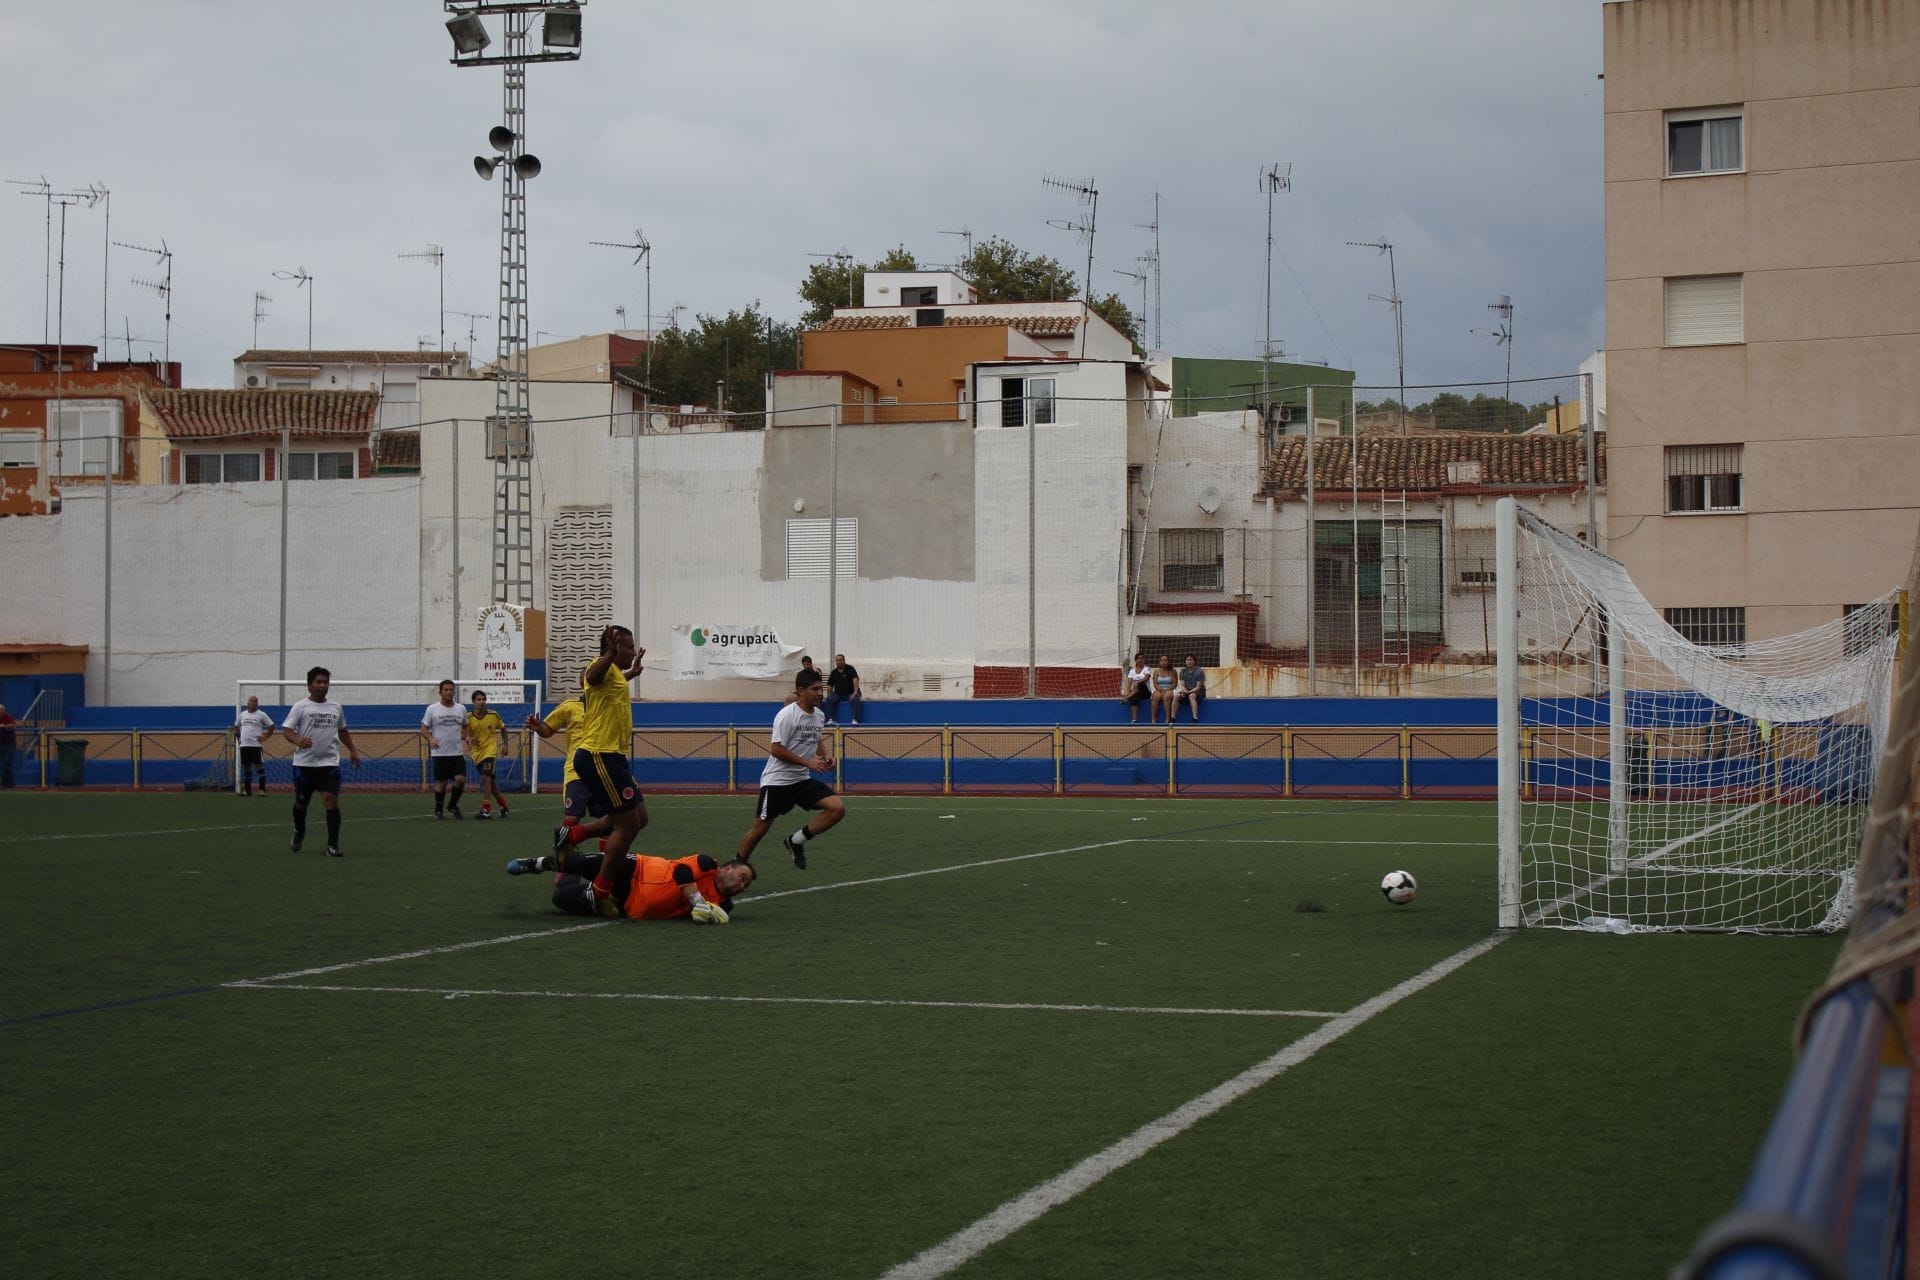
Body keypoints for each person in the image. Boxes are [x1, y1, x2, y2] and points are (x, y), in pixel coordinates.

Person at [552, 625, 650, 916]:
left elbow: (610, 682)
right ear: (614, 646)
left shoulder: (615, 674)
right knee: (627, 826)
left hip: (614, 758)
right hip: (599, 755)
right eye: (628, 646)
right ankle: (601, 891)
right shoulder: (597, 667)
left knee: (639, 818)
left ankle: (571, 836)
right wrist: (608, 653)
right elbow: (592, 677)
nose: (632, 651)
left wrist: (632, 672)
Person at [738, 666, 845, 871]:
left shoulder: (819, 715)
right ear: (801, 690)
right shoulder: (787, 715)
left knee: (837, 809)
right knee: (761, 828)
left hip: (801, 779)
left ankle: (795, 841)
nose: (820, 693)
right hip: (777, 781)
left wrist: (825, 756)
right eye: (814, 689)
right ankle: (736, 864)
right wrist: (808, 762)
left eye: (821, 689)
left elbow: (816, 737)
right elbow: (776, 749)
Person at [507, 848, 755, 924]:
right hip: (636, 869)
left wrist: (705, 916)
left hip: (624, 904)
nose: (742, 885)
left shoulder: (724, 905)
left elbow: (704, 918)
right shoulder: (708, 864)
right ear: (727, 868)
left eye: (746, 884)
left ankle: (567, 877)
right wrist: (698, 902)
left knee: (561, 898)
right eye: (743, 877)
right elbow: (681, 871)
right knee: (584, 863)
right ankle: (537, 864)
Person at [280, 666, 361, 857]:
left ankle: (332, 845)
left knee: (331, 800)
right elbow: (287, 731)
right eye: (318, 682)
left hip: (329, 765)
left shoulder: (336, 707)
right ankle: (299, 830)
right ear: (309, 685)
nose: (323, 685)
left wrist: (353, 750)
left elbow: (342, 730)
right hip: (304, 766)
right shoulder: (300, 706)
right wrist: (298, 740)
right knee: (301, 804)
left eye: (325, 682)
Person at [525, 697, 598, 827]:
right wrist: (539, 727)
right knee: (572, 818)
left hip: (602, 769)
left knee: (609, 818)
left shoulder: (607, 705)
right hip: (576, 771)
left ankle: (601, 844)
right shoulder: (570, 706)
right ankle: (566, 840)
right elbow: (548, 730)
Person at [420, 679, 470, 820]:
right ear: (440, 692)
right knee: (441, 783)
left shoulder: (461, 708)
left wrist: (466, 736)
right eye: (446, 690)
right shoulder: (432, 709)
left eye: (451, 690)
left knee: (460, 779)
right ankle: (439, 810)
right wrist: (431, 739)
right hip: (440, 753)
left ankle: (452, 805)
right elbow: (423, 729)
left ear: (454, 691)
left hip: (456, 753)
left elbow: (466, 725)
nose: (449, 692)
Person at [467, 689, 512, 819]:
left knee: (486, 777)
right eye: (479, 699)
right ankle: (503, 806)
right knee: (491, 783)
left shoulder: (493, 715)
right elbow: (464, 734)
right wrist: (470, 739)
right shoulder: (468, 718)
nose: (481, 702)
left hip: (490, 752)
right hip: (477, 754)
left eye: (483, 699)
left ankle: (486, 810)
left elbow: (503, 729)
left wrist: (506, 745)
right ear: (473, 702)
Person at [231, 695, 276, 795]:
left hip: (256, 746)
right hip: (244, 746)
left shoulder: (261, 715)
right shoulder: (242, 715)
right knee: (246, 767)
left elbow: (272, 726)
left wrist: (265, 737)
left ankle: (262, 790)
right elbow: (236, 726)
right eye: (251, 701)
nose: (253, 702)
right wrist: (238, 738)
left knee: (259, 766)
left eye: (255, 701)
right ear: (247, 703)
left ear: (257, 703)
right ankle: (247, 791)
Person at [823, 652, 864, 725]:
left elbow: (855, 679)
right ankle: (832, 719)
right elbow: (830, 685)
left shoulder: (850, 669)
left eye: (840, 660)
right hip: (838, 694)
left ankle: (855, 719)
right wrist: (828, 696)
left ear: (844, 660)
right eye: (837, 660)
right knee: (829, 700)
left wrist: (855, 692)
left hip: (851, 693)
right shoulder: (834, 672)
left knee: (855, 699)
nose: (838, 662)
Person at [1170, 655, 1208, 723]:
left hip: (1198, 691)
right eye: (1187, 660)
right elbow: (1182, 685)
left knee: (1191, 696)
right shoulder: (1183, 671)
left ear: (1194, 661)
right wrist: (1184, 691)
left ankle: (1195, 718)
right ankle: (1173, 717)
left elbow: (1198, 687)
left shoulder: (1199, 671)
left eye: (1191, 660)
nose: (1189, 661)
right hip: (1187, 690)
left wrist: (1188, 692)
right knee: (1176, 695)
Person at [1120, 652, 1151, 722]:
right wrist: (1127, 693)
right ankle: (1134, 720)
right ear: (1136, 660)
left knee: (1140, 684)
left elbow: (1145, 679)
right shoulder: (1132, 671)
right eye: (1138, 658)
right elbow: (1129, 684)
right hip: (1136, 692)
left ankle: (1127, 698)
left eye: (1142, 658)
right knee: (1134, 697)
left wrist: (1137, 682)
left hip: (1146, 693)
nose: (1140, 660)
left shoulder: (1147, 668)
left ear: (1144, 660)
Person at [1149, 655, 1179, 724]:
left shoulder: (1173, 671)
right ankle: (1153, 718)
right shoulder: (1156, 671)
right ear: (1159, 662)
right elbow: (1155, 684)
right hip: (1159, 689)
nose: (1163, 662)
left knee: (1166, 696)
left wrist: (1167, 690)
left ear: (1168, 662)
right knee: (1155, 696)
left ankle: (1168, 717)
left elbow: (1174, 684)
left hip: (1170, 688)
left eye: (1165, 660)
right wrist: (1161, 690)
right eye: (1162, 660)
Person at [0, 703, 16, 789]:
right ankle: (8, 784)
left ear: (4, 710)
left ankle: (8, 784)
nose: (0, 711)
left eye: (1, 709)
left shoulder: (8, 717)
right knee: (6, 765)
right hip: (1, 744)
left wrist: (3, 726)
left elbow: (13, 726)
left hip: (10, 744)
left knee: (5, 763)